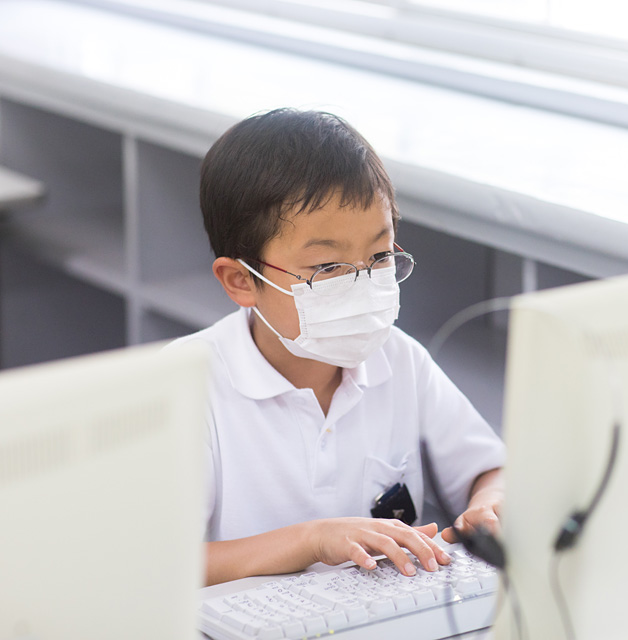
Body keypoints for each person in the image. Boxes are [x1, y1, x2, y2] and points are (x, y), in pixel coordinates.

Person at [169, 108, 505, 586]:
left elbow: (489, 470)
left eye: (380, 255)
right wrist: (312, 540)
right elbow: (153, 564)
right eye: (327, 267)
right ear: (241, 280)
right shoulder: (184, 385)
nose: (363, 283)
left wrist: (491, 505)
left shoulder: (399, 358)